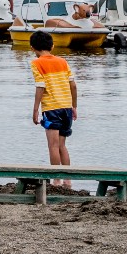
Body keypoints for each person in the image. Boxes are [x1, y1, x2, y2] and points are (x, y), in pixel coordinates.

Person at [28, 29, 77, 189]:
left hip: (51, 109)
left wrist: (35, 109)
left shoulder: (36, 63)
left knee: (53, 146)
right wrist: (74, 106)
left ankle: (56, 180)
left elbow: (40, 87)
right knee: (62, 145)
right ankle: (68, 181)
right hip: (66, 108)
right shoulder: (62, 61)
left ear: (32, 48)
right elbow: (73, 85)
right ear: (52, 46)